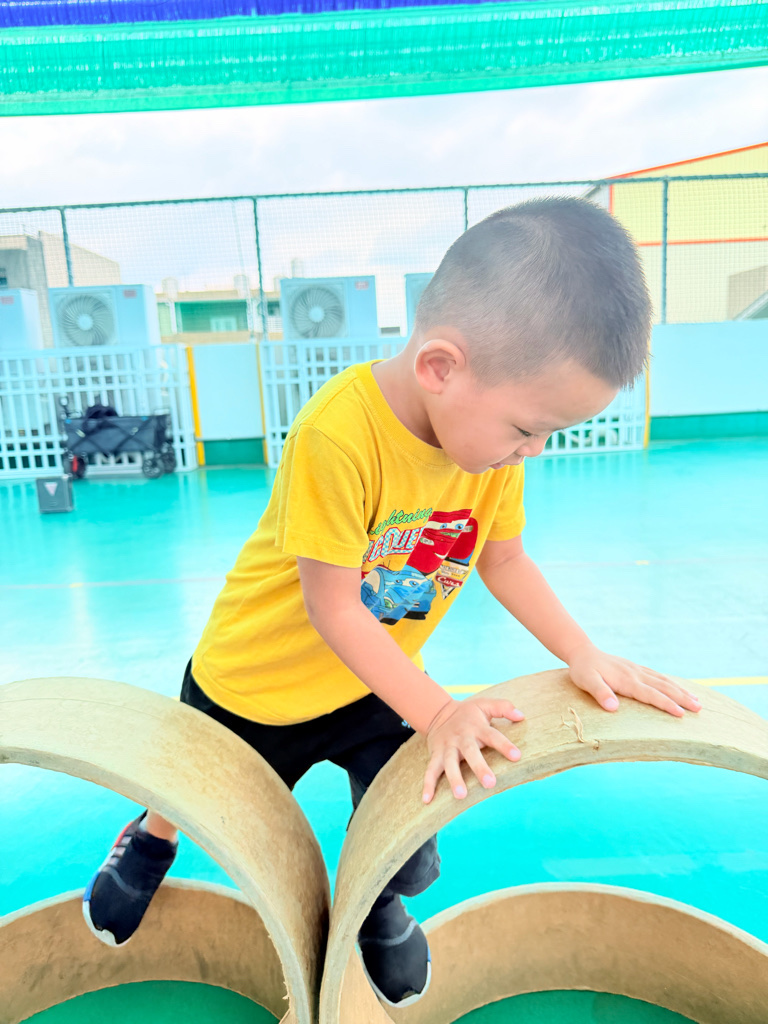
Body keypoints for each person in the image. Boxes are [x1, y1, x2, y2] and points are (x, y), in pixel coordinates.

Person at [82, 197, 701, 1008]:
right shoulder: (338, 435)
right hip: (252, 683)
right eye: (528, 428)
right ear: (441, 367)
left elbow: (505, 558)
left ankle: (375, 902)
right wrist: (440, 712)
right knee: (193, 797)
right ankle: (149, 839)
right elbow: (336, 609)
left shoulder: (491, 457)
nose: (532, 451)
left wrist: (582, 653)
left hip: (371, 683)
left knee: (409, 824)